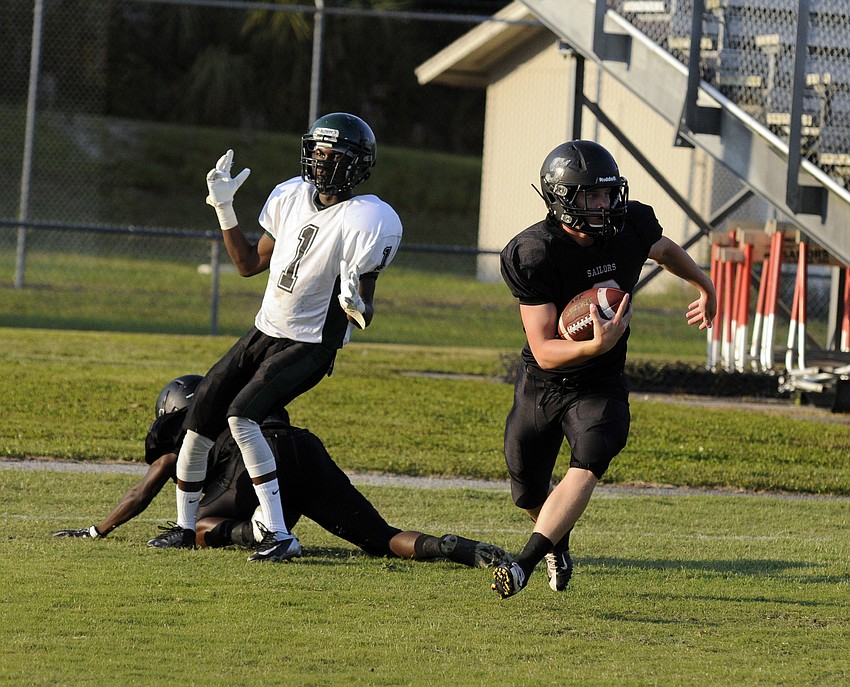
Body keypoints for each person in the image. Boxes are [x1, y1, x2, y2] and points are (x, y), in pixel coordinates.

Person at [147, 113, 403, 562]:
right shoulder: (289, 195)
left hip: (309, 343)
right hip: (265, 329)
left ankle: (279, 534)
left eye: (332, 155)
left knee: (243, 417)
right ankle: (187, 529)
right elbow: (247, 264)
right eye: (318, 152)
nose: (321, 163)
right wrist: (224, 208)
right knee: (202, 413)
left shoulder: (369, 217)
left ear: (356, 164)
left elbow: (364, 307)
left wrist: (357, 307)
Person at [491, 140, 716, 599]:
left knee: (590, 458)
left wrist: (704, 283)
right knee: (527, 489)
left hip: (601, 384)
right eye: (591, 196)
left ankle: (524, 564)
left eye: (609, 193)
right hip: (543, 381)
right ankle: (557, 542)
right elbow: (546, 347)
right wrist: (595, 343)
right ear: (561, 198)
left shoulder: (630, 224)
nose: (605, 204)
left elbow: (665, 249)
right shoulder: (533, 251)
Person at [54, 375, 509, 570]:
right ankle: (450, 547)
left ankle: (260, 536)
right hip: (300, 447)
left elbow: (144, 489)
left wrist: (97, 530)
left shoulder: (188, 441)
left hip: (256, 458)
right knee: (382, 538)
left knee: (192, 525)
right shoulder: (239, 403)